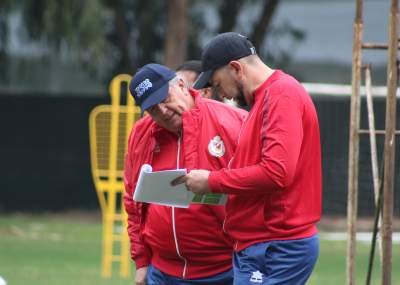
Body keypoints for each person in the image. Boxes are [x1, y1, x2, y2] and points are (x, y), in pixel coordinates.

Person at [173, 32, 322, 285]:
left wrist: (212, 181)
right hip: (260, 243)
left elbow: (277, 172)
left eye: (218, 84)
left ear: (236, 68)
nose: (221, 94)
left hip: (276, 244)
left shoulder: (281, 94)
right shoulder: (265, 98)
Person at [123, 63, 247, 285]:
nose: (162, 111)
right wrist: (141, 262)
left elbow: (261, 189)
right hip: (162, 272)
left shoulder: (233, 122)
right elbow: (133, 200)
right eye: (152, 109)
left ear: (181, 84)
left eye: (164, 99)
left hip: (227, 269)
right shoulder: (141, 133)